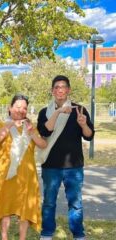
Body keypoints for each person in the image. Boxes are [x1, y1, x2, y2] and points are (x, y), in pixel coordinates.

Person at [37, 75, 94, 240]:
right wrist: (58, 112)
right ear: (52, 91)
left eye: (63, 87)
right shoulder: (44, 112)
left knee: (75, 203)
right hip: (51, 165)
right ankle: (47, 233)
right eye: (56, 87)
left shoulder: (79, 110)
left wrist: (83, 124)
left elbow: (89, 136)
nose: (60, 89)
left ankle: (78, 234)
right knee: (48, 202)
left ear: (68, 90)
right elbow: (45, 132)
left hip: (74, 166)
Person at [0, 94, 47, 240]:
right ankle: (4, 237)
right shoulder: (2, 124)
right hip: (5, 174)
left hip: (26, 174)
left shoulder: (30, 126)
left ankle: (22, 238)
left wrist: (31, 132)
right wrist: (11, 124)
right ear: (10, 108)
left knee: (24, 208)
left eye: (24, 108)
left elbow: (43, 144)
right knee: (5, 207)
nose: (21, 110)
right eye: (18, 107)